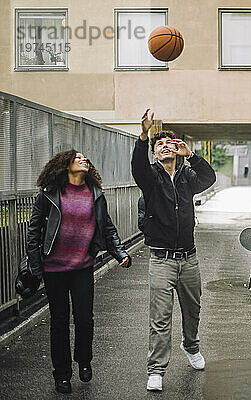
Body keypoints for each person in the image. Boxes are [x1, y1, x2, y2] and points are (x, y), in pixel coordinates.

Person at [26, 150, 130, 394]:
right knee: (59, 322)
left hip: (82, 266)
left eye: (85, 159)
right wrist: (35, 266)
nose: (84, 160)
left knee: (85, 318)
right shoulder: (49, 194)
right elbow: (34, 231)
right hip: (54, 269)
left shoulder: (95, 193)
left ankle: (84, 360)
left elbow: (107, 226)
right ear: (65, 165)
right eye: (78, 158)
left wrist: (120, 253)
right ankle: (61, 374)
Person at [132, 109, 216, 392]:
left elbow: (209, 178)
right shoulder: (151, 178)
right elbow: (137, 167)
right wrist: (144, 136)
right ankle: (156, 369)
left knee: (192, 310)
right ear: (155, 154)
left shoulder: (186, 176)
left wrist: (191, 154)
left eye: (170, 143)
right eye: (160, 144)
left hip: (189, 259)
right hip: (162, 260)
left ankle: (190, 346)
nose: (165, 146)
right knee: (160, 317)